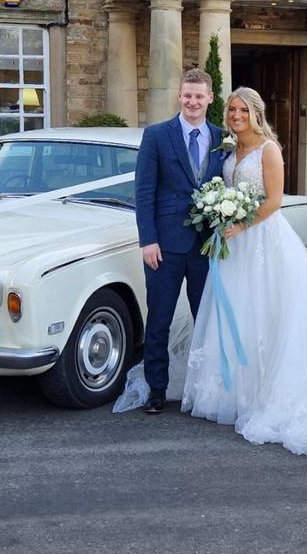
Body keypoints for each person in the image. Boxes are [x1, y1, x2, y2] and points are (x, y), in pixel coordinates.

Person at [181, 87, 307, 458]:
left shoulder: (269, 149)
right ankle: (235, 392)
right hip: (234, 244)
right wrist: (222, 215)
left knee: (266, 311)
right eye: (232, 110)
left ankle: (268, 393)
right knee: (237, 311)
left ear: (256, 113)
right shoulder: (230, 149)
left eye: (243, 110)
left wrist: (240, 224)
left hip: (263, 240)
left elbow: (274, 201)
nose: (236, 116)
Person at [134, 68, 228, 414]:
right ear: (179, 96)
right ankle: (156, 390)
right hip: (165, 246)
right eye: (187, 95)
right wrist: (148, 240)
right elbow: (143, 191)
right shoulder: (157, 135)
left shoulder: (222, 138)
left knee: (206, 322)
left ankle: (202, 390)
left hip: (206, 247)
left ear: (210, 99)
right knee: (159, 320)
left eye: (199, 96)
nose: (192, 102)